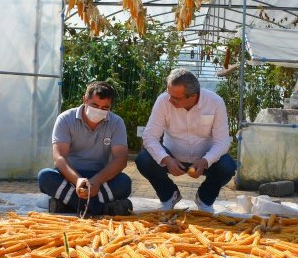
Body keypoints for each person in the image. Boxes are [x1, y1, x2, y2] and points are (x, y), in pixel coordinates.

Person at [136, 68, 236, 213]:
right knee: (143, 159)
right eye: (169, 94)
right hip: (173, 156)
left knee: (228, 166)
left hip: (205, 160)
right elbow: (149, 136)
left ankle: (204, 199)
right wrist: (167, 159)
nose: (169, 99)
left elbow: (222, 142)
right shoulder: (163, 101)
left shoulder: (215, 102)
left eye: (176, 98)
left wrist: (205, 161)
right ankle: (169, 195)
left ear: (193, 96)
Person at [37, 81, 132, 216]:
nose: (99, 110)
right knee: (45, 177)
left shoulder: (116, 122)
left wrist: (97, 181)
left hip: (102, 177)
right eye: (94, 105)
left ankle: (68, 205)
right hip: (70, 176)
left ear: (110, 107)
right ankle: (101, 207)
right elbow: (59, 158)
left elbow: (120, 159)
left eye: (105, 108)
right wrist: (77, 181)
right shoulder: (65, 119)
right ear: (84, 100)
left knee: (124, 183)